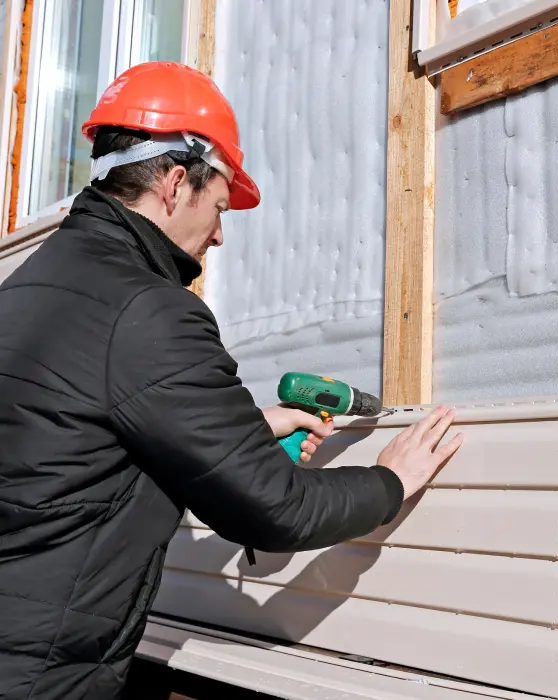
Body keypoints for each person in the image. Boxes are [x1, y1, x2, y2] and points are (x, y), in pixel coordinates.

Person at [0, 61, 464, 700]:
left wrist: (246, 433)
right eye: (218, 206)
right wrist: (392, 479)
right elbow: (279, 511)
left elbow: (75, 448)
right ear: (173, 182)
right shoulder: (149, 309)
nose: (218, 234)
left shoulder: (27, 289)